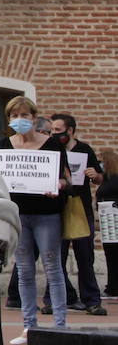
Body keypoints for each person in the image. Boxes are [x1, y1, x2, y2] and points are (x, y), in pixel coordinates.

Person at [0, 96, 70, 345]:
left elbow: (66, 178)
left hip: (47, 214)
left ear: (34, 118)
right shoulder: (4, 146)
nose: (20, 120)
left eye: (24, 115)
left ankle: (60, 326)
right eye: (15, 116)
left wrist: (58, 184)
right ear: (8, 120)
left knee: (52, 267)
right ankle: (29, 327)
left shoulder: (52, 145)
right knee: (25, 270)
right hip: (18, 214)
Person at [50, 113, 107, 316]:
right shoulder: (51, 148)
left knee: (85, 257)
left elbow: (99, 178)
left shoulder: (84, 149)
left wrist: (95, 175)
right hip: (56, 209)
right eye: (52, 130)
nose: (54, 133)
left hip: (81, 210)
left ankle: (91, 300)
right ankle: (54, 299)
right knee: (57, 257)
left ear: (70, 130)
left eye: (58, 130)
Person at [95, 149, 118, 297]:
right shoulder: (107, 179)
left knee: (114, 254)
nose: (99, 165)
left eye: (101, 162)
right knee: (110, 253)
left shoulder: (115, 179)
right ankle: (112, 286)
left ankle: (114, 287)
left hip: (114, 218)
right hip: (107, 218)